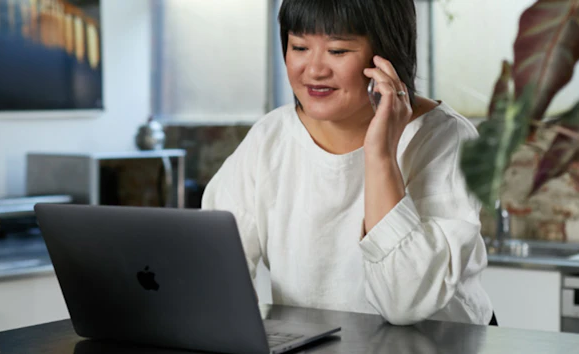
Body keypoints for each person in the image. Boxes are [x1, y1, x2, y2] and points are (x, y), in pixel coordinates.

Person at [201, 0, 495, 326]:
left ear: (386, 56)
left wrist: (381, 154)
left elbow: (404, 303)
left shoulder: (446, 138)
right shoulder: (270, 137)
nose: (313, 70)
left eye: (338, 51)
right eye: (299, 46)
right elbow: (215, 262)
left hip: (435, 346)